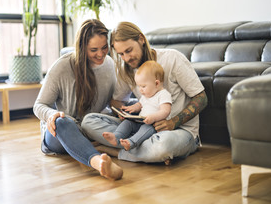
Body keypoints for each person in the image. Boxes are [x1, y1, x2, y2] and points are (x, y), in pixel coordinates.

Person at [81, 21, 208, 164]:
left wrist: (173, 122)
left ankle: (115, 151)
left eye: (129, 50)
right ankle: (140, 148)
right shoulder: (126, 68)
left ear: (141, 39)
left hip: (179, 132)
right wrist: (124, 113)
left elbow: (201, 98)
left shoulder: (172, 58)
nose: (126, 58)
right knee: (88, 121)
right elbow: (117, 101)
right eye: (121, 54)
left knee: (163, 146)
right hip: (142, 127)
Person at [33, 19, 123, 180]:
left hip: (90, 128)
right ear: (82, 48)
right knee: (62, 121)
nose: (101, 54)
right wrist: (51, 115)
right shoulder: (62, 67)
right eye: (93, 50)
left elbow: (113, 102)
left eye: (104, 48)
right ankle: (99, 163)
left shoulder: (110, 65)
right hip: (62, 132)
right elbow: (39, 105)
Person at [103, 60, 172, 151]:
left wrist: (153, 117)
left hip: (153, 125)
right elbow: (140, 104)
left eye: (143, 86)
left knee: (146, 129)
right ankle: (116, 137)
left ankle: (131, 142)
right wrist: (131, 109)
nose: (140, 90)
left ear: (156, 83)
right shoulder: (146, 95)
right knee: (127, 123)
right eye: (138, 86)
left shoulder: (163, 94)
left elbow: (165, 111)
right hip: (140, 121)